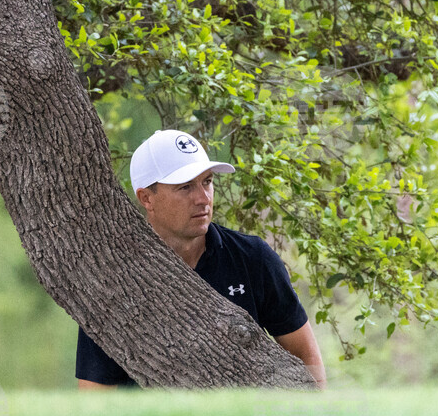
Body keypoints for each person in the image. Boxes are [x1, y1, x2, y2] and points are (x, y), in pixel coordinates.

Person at [75, 129, 326, 389]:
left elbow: (306, 357)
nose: (203, 198)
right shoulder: (115, 280)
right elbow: (95, 393)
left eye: (207, 182)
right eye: (185, 187)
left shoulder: (253, 259)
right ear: (146, 198)